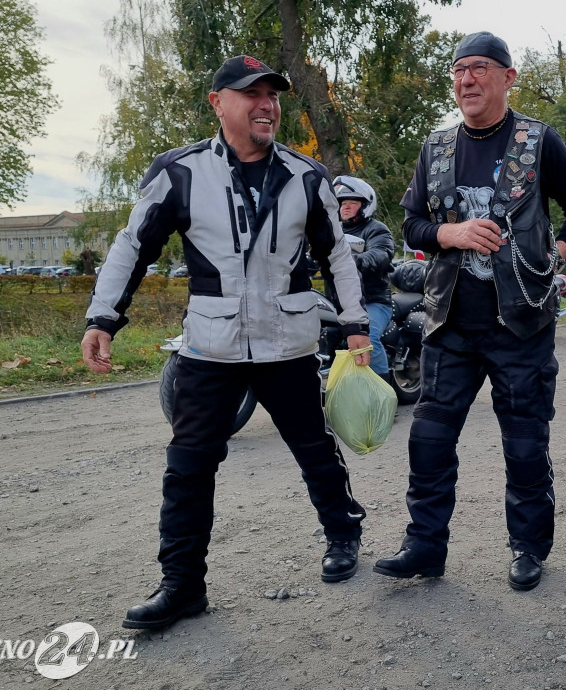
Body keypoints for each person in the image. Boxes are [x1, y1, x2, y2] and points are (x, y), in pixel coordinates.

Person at [82, 55, 372, 632]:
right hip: (210, 350)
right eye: (251, 93)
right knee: (187, 468)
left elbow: (335, 254)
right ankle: (182, 585)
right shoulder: (180, 172)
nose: (266, 104)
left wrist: (356, 322)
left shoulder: (306, 175)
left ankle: (343, 533)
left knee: (314, 449)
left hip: (287, 345)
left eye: (273, 95)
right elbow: (131, 246)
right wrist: (103, 316)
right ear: (219, 103)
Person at [373, 32, 566, 591]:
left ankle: (528, 549)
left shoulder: (538, 141)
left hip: (521, 322)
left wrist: (557, 252)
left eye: (477, 69)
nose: (466, 80)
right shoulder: (437, 148)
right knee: (427, 439)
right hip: (449, 322)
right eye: (457, 71)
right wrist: (449, 231)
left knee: (524, 444)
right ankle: (424, 546)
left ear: (506, 76)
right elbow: (412, 224)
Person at [330, 175, 396, 379]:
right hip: (339, 303)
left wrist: (355, 260)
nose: (346, 207)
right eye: (342, 203)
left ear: (365, 205)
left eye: (352, 203)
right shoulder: (332, 231)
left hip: (373, 301)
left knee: (370, 336)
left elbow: (381, 253)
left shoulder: (376, 229)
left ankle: (382, 393)